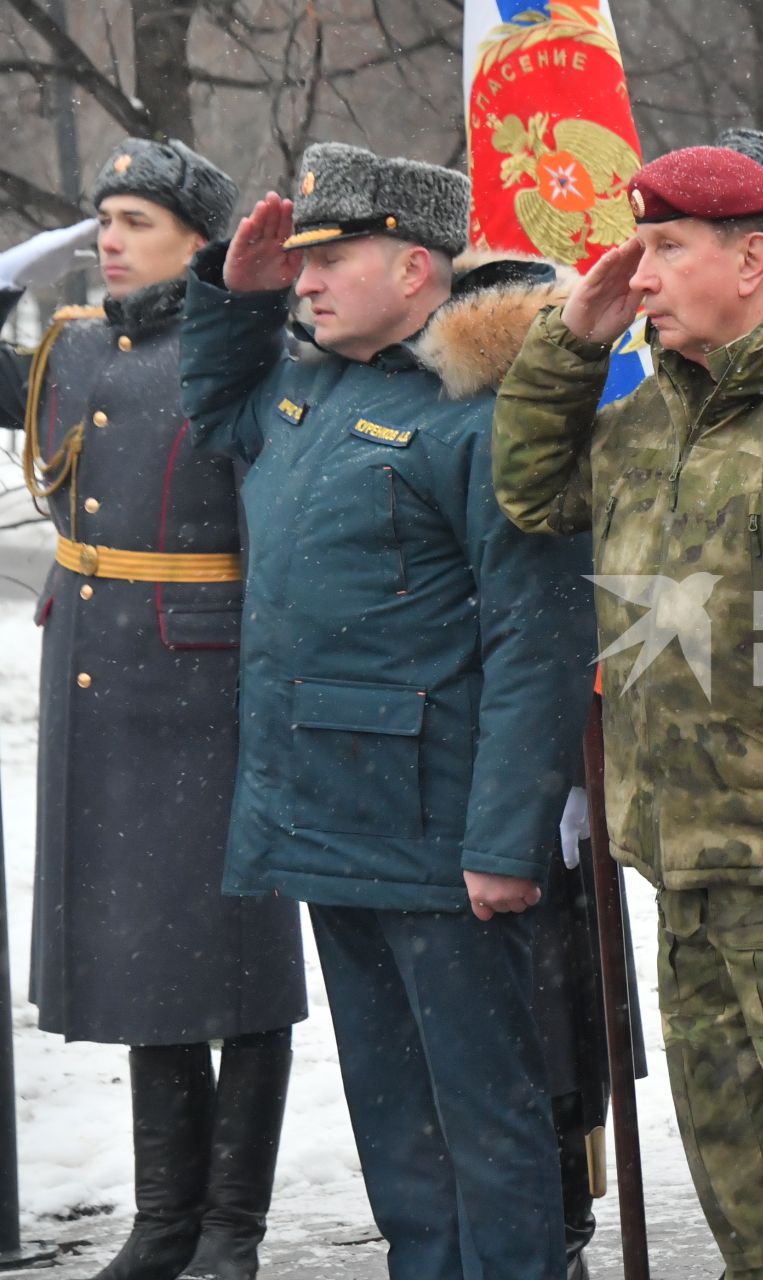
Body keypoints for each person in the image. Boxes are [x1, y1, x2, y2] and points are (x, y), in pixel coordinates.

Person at [491, 144, 763, 1279]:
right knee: (739, 1182)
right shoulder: (651, 419)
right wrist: (571, 342)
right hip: (684, 865)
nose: (638, 276)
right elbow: (532, 490)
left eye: (665, 250)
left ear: (751, 259)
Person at [177, 141, 594, 1279]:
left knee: (489, 1122)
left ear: (416, 269)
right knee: (394, 1121)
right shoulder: (309, 386)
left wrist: (507, 838)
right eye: (299, 262)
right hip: (328, 814)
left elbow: (538, 637)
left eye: (332, 256)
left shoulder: (484, 410)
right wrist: (232, 292)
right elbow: (216, 411)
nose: (305, 280)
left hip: (442, 833)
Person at [0, 138, 305, 1280]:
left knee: (240, 963)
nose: (110, 241)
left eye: (134, 220)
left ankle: (232, 1226)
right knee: (148, 962)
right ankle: (163, 1218)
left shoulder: (248, 347)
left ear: (201, 240)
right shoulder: (78, 352)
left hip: (215, 684)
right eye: (103, 219)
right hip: (105, 682)